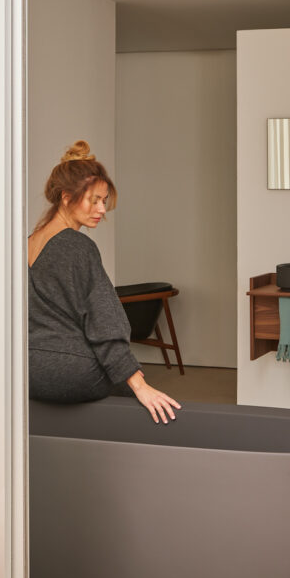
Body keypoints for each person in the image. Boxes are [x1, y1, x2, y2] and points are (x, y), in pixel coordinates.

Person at [28, 140, 180, 424]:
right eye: (93, 200)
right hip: (71, 372)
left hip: (27, 371)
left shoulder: (26, 245)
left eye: (104, 201)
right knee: (139, 400)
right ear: (65, 197)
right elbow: (104, 320)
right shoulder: (78, 246)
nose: (101, 210)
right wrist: (139, 385)